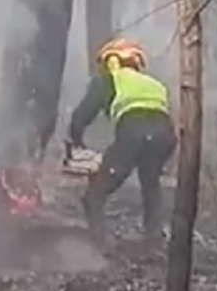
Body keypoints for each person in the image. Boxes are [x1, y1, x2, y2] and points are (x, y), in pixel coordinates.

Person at [66, 37, 177, 242]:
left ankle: (96, 245)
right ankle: (153, 240)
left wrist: (75, 138)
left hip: (134, 131)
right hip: (165, 134)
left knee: (95, 193)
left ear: (111, 61)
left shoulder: (109, 79)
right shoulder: (154, 83)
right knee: (150, 184)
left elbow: (83, 114)